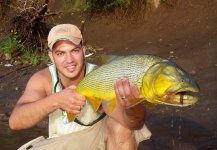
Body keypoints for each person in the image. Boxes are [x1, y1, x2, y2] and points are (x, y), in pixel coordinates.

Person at [9, 24, 151, 150]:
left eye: (74, 51)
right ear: (51, 57)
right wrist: (56, 100)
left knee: (121, 126)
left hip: (97, 141)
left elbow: (132, 123)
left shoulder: (100, 76)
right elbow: (15, 122)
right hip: (61, 143)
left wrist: (132, 106)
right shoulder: (43, 79)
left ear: (83, 51)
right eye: (61, 53)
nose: (69, 60)